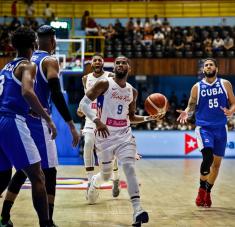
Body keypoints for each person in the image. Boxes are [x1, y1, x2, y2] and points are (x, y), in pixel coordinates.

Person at [0, 25, 80, 226]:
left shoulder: (6, 66)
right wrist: (54, 120)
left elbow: (10, 95)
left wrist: (26, 110)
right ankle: (47, 222)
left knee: (10, 173)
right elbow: (42, 93)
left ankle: (4, 216)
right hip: (23, 122)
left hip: (12, 118)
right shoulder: (42, 62)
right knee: (42, 173)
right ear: (51, 41)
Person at [79, 56, 163, 226]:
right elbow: (84, 104)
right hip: (104, 137)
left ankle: (137, 210)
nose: (120, 65)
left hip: (124, 135)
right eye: (117, 63)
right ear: (114, 67)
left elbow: (131, 117)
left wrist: (149, 117)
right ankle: (94, 183)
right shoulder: (104, 84)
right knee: (106, 174)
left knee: (129, 168)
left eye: (123, 63)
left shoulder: (132, 91)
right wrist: (97, 121)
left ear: (128, 68)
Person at [177, 58, 235, 208]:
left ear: (216, 68)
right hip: (204, 128)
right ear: (203, 70)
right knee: (207, 157)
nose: (208, 67)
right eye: (206, 65)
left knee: (216, 166)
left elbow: (233, 102)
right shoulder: (197, 87)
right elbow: (191, 104)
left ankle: (207, 192)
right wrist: (186, 112)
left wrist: (231, 110)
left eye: (211, 64)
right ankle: (201, 189)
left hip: (221, 129)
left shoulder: (225, 84)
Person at [77, 53, 121, 198]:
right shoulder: (85, 79)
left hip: (107, 118)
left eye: (99, 60)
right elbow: (86, 97)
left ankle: (115, 178)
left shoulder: (111, 77)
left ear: (103, 63)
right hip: (91, 117)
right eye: (94, 60)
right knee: (89, 143)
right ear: (91, 63)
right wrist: (80, 107)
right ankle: (90, 181)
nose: (97, 62)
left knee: (111, 152)